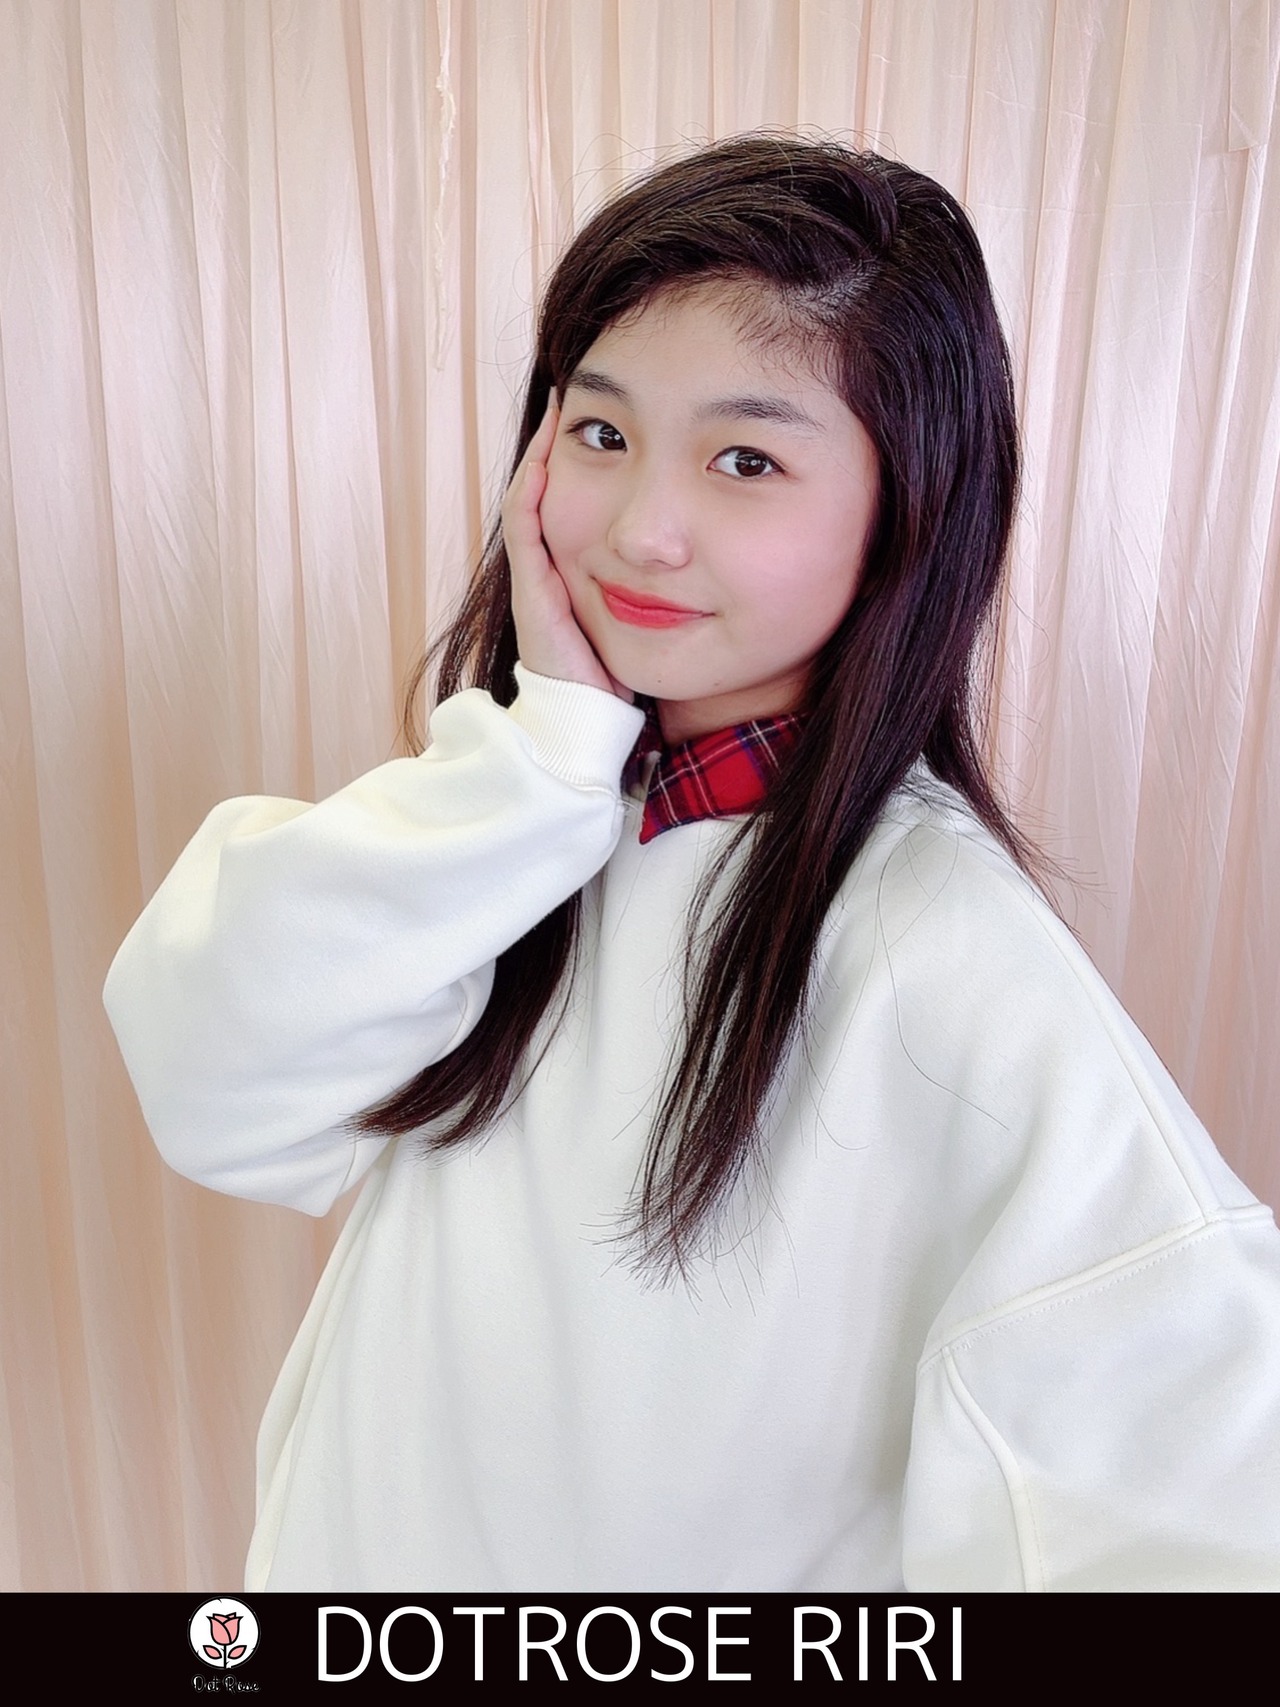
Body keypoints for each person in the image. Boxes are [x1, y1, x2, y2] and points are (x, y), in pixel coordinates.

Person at [103, 135, 1280, 1592]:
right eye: (601, 434)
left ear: (908, 508)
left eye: (746, 461)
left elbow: (1193, 1505)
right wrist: (543, 759)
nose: (641, 532)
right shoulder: (523, 823)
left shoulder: (938, 949)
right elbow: (209, 1077)